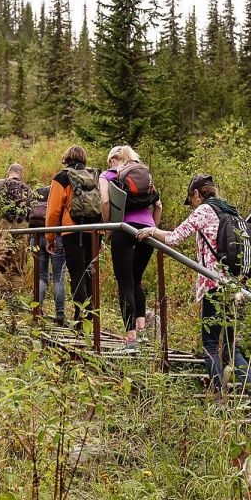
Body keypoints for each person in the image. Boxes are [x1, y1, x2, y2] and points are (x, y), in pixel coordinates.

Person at [137, 175, 251, 392]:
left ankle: (219, 395)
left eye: (191, 199)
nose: (191, 204)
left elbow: (175, 237)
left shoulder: (205, 210)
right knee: (232, 349)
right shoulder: (230, 211)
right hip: (237, 286)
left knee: (210, 344)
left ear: (196, 194)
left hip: (214, 285)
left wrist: (152, 231)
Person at [102, 145, 160, 353]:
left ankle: (130, 340)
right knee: (137, 280)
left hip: (124, 228)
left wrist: (107, 227)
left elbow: (106, 201)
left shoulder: (108, 175)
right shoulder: (144, 172)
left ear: (112, 160)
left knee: (124, 281)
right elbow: (158, 205)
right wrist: (154, 228)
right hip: (147, 229)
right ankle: (142, 332)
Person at [45, 146, 100, 327]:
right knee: (90, 273)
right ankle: (90, 314)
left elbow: (53, 211)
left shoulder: (62, 177)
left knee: (77, 273)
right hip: (93, 231)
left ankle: (81, 317)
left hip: (72, 231)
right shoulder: (94, 175)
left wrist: (50, 237)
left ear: (66, 158)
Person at [30, 184, 67, 325]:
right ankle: (60, 315)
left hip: (36, 237)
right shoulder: (59, 193)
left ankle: (36, 311)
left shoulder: (37, 193)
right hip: (57, 238)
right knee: (59, 277)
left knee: (41, 276)